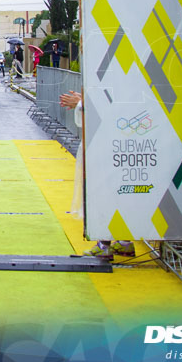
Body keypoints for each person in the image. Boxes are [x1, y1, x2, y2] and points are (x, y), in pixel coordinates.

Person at [59, 90, 135, 261]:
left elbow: (110, 110)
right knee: (117, 192)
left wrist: (82, 103)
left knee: (103, 192)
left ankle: (104, 244)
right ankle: (123, 240)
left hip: (107, 145)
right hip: (118, 144)